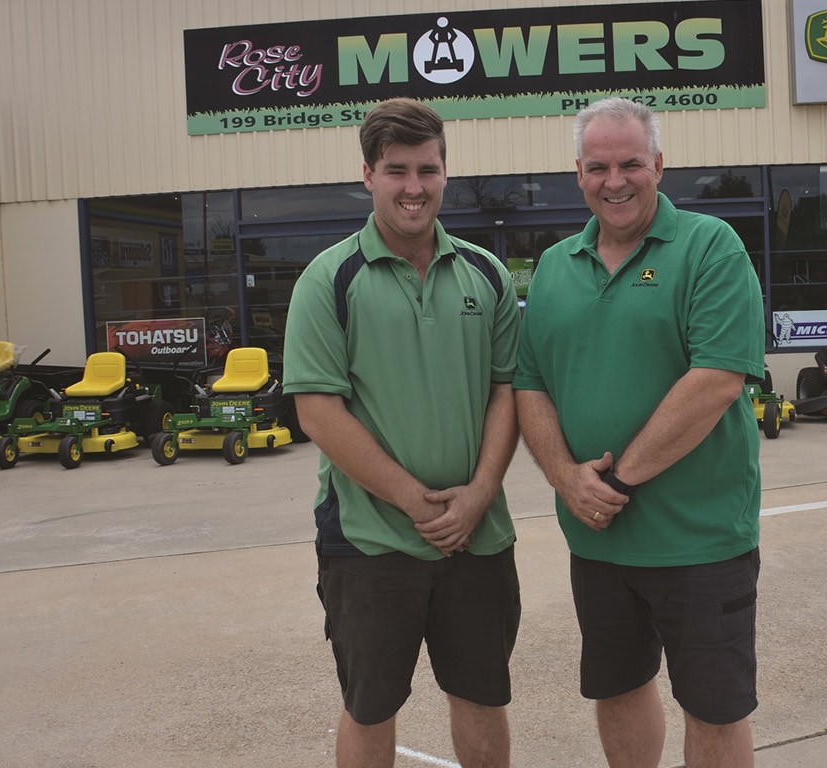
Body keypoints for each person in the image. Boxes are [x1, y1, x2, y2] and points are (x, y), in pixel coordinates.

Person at [513, 97, 766, 768]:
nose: (614, 180)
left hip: (699, 538)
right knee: (618, 687)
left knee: (713, 707)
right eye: (598, 166)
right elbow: (529, 381)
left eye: (630, 163)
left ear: (659, 164)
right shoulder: (557, 266)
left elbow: (716, 380)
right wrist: (566, 479)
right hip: (599, 541)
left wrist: (614, 482)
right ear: (578, 174)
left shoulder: (709, 247)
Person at [283, 97, 521, 768]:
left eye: (427, 169)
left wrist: (478, 493)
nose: (413, 187)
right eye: (396, 171)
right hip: (369, 541)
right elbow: (318, 412)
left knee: (481, 697)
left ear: (445, 171)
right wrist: (416, 502)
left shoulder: (489, 275)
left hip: (478, 537)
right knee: (371, 704)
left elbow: (508, 389)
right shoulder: (328, 281)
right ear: (368, 174)